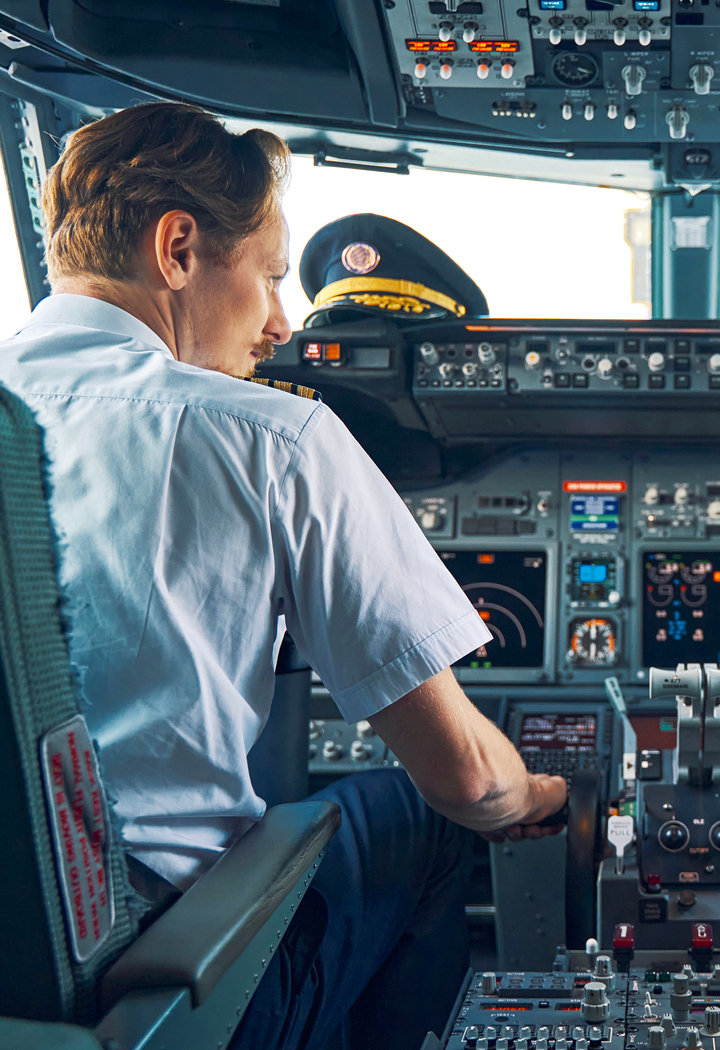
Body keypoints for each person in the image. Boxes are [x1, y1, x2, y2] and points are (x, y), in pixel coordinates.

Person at [0, 101, 566, 1049]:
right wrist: (550, 797)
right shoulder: (268, 436)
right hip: (150, 977)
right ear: (177, 249)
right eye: (267, 277)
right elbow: (467, 780)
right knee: (414, 819)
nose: (280, 322)